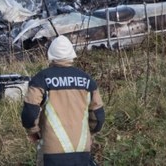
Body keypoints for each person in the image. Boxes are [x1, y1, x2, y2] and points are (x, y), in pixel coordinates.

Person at [21, 36, 105, 165]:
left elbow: (30, 112)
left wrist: (33, 131)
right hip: (82, 148)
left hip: (51, 151)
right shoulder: (87, 81)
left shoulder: (41, 79)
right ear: (72, 54)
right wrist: (90, 133)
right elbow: (98, 116)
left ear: (50, 55)